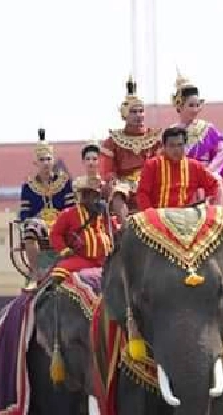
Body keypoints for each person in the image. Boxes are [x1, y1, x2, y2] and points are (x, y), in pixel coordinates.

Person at [170, 71, 223, 229]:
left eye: (197, 105)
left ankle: (217, 225)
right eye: (191, 105)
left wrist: (209, 170)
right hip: (180, 172)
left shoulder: (208, 129)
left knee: (216, 182)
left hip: (206, 172)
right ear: (179, 106)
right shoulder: (171, 132)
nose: (195, 109)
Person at [19, 128, 75, 287]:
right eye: (42, 159)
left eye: (48, 159)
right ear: (36, 163)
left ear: (53, 161)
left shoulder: (65, 182)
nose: (45, 163)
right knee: (29, 230)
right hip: (39, 226)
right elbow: (24, 215)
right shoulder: (28, 187)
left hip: (61, 222)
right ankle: (36, 271)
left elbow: (71, 208)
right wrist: (36, 220)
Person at [49, 147, 114, 282]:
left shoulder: (104, 213)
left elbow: (115, 231)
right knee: (59, 271)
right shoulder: (69, 214)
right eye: (87, 194)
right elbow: (55, 234)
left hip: (105, 260)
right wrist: (64, 250)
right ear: (81, 196)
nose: (91, 198)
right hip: (80, 259)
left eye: (94, 195)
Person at [136, 126, 223, 212]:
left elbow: (213, 185)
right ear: (164, 146)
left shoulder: (194, 166)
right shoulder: (152, 165)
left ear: (185, 145)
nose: (176, 149)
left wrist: (208, 201)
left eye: (180, 145)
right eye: (172, 145)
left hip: (186, 217)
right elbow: (142, 193)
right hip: (158, 216)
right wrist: (149, 213)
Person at [99, 77, 162, 196]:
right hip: (122, 188)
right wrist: (115, 183)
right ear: (125, 114)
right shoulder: (113, 142)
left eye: (141, 111)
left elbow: (160, 165)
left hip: (150, 184)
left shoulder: (155, 139)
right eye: (133, 112)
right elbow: (107, 170)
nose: (138, 115)